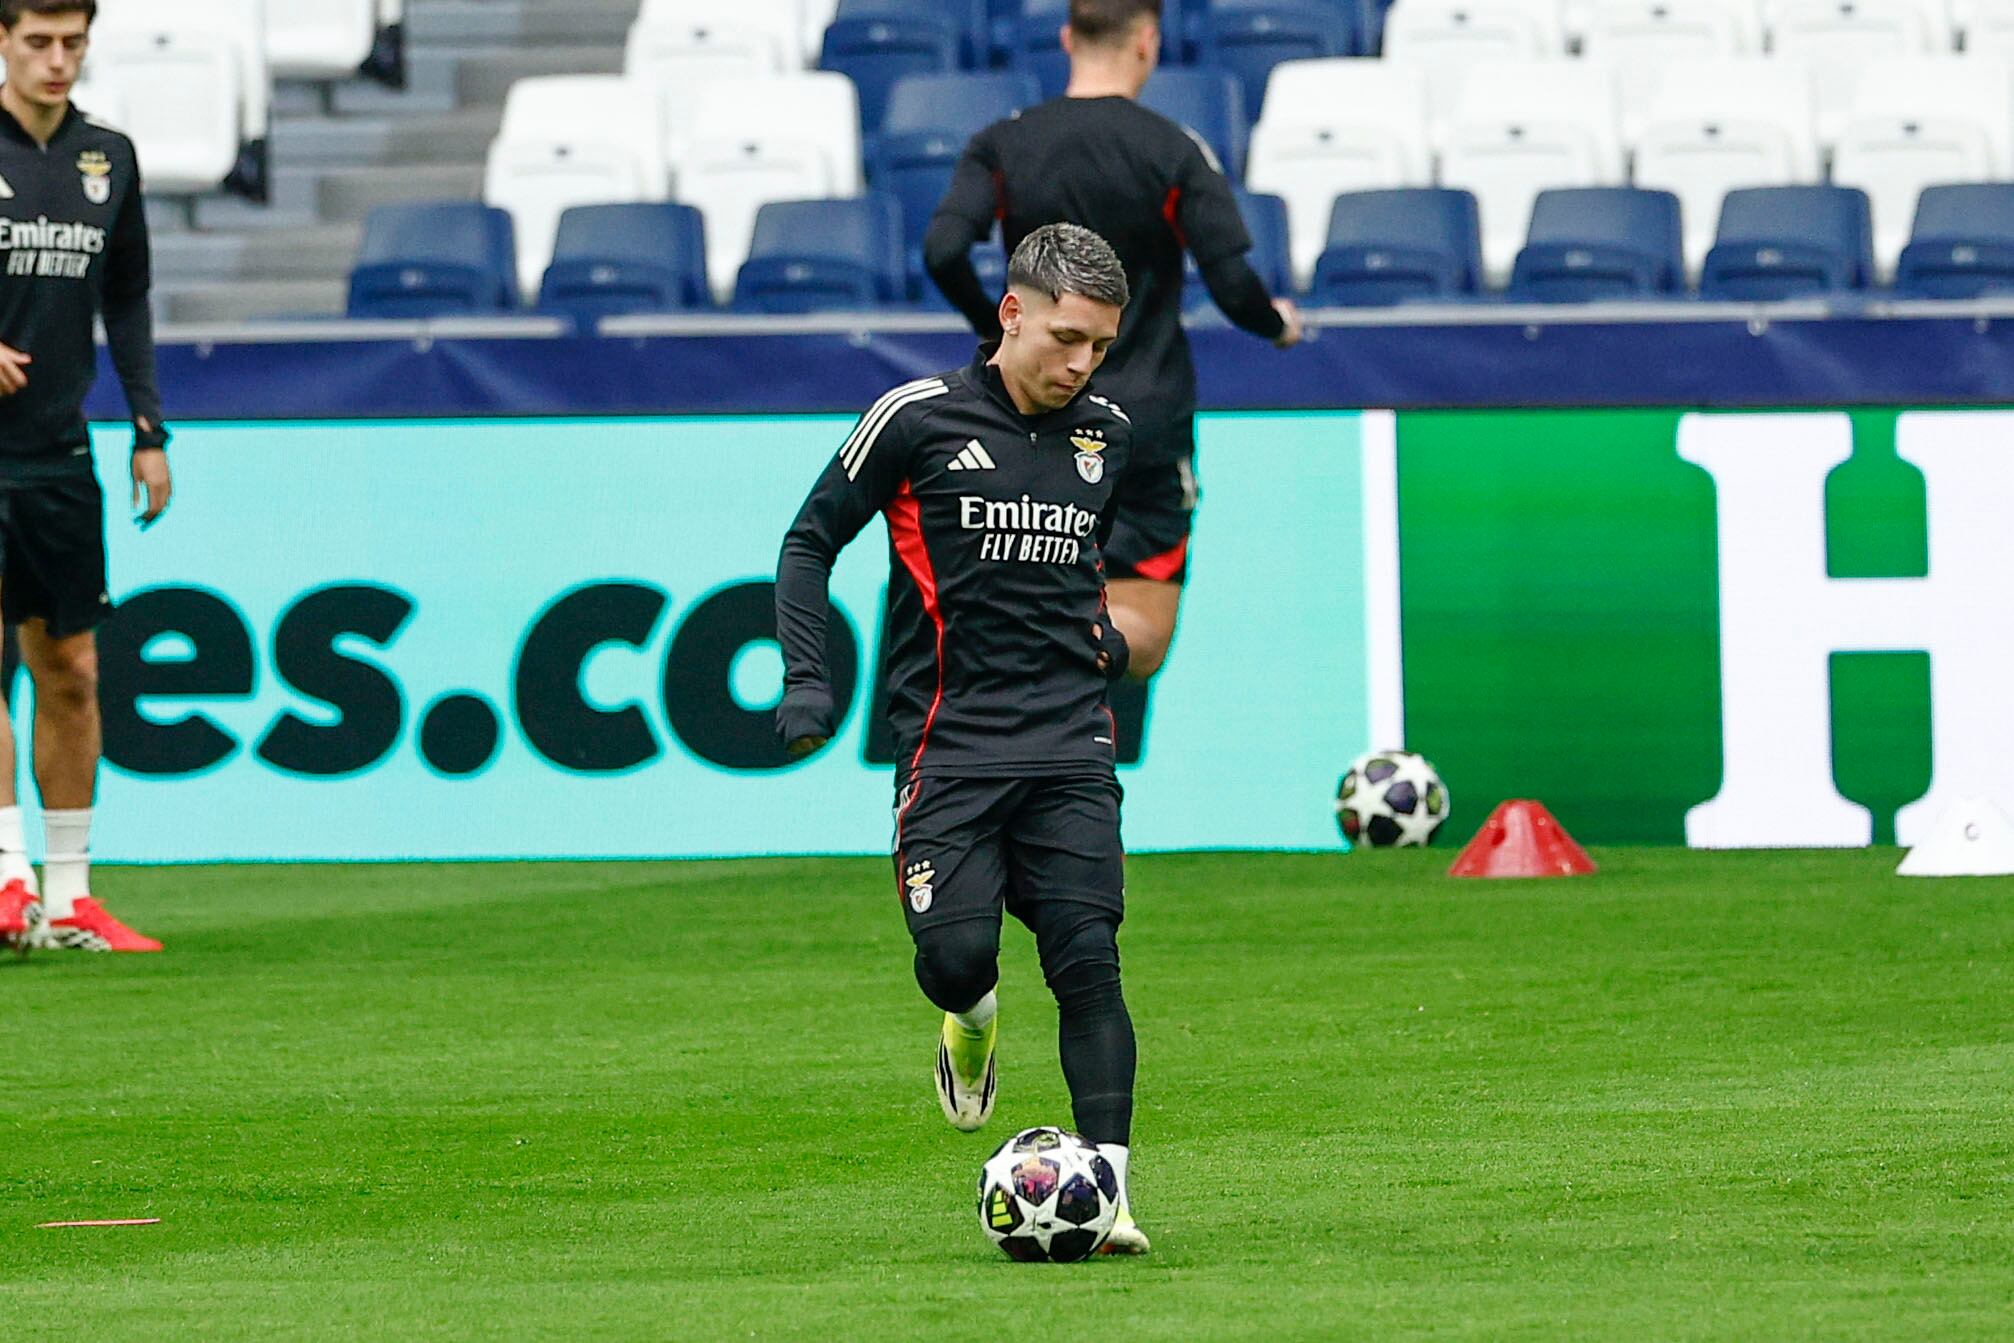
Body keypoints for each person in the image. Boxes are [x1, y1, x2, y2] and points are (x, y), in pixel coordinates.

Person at [776, 224, 1152, 1254]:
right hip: (949, 747)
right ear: (1011, 314)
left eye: (1100, 347)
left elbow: (1086, 570)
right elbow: (809, 541)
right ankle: (970, 1018)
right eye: (1067, 337)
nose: (1080, 363)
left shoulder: (1108, 435)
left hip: (1071, 745)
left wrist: (1101, 639)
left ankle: (1107, 1188)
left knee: (1089, 958)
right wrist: (808, 676)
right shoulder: (915, 418)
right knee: (953, 955)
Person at [924, 0, 1302, 686]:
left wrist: (996, 329)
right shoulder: (1172, 148)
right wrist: (1277, 325)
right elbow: (1232, 282)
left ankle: (1017, 650)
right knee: (1141, 637)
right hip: (1143, 423)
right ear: (1148, 43)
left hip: (1032, 415)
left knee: (1025, 577)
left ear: (1068, 38)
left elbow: (944, 249)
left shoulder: (1003, 143)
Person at [0, 0, 170, 955]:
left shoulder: (108, 156)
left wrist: (149, 427)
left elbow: (129, 291)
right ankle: (5, 878)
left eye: (73, 43)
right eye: (39, 43)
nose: (58, 61)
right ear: (2, 41)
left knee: (69, 668)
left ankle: (68, 899)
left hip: (60, 446)